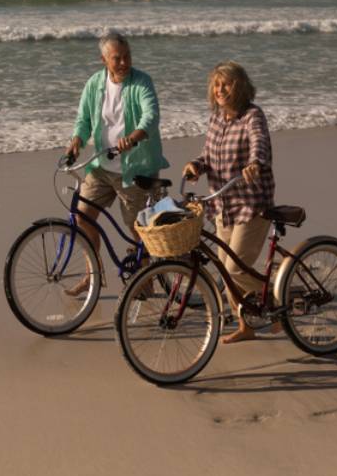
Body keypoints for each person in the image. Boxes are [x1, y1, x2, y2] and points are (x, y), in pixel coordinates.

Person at [64, 31, 169, 296]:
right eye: (117, 58)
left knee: (138, 230)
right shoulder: (94, 84)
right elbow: (84, 120)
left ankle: (147, 281)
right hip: (100, 168)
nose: (123, 63)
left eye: (127, 57)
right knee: (82, 217)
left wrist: (133, 138)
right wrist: (77, 139)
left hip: (134, 169)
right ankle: (93, 276)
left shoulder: (142, 82)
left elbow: (151, 115)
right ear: (104, 59)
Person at [183, 61, 276, 344]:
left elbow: (259, 143)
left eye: (227, 84)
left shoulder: (252, 116)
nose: (220, 89)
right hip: (222, 206)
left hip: (251, 205)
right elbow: (208, 156)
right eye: (217, 84)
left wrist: (254, 164)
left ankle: (278, 297)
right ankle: (246, 326)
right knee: (226, 275)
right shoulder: (216, 118)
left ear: (240, 87)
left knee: (236, 269)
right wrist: (196, 166)